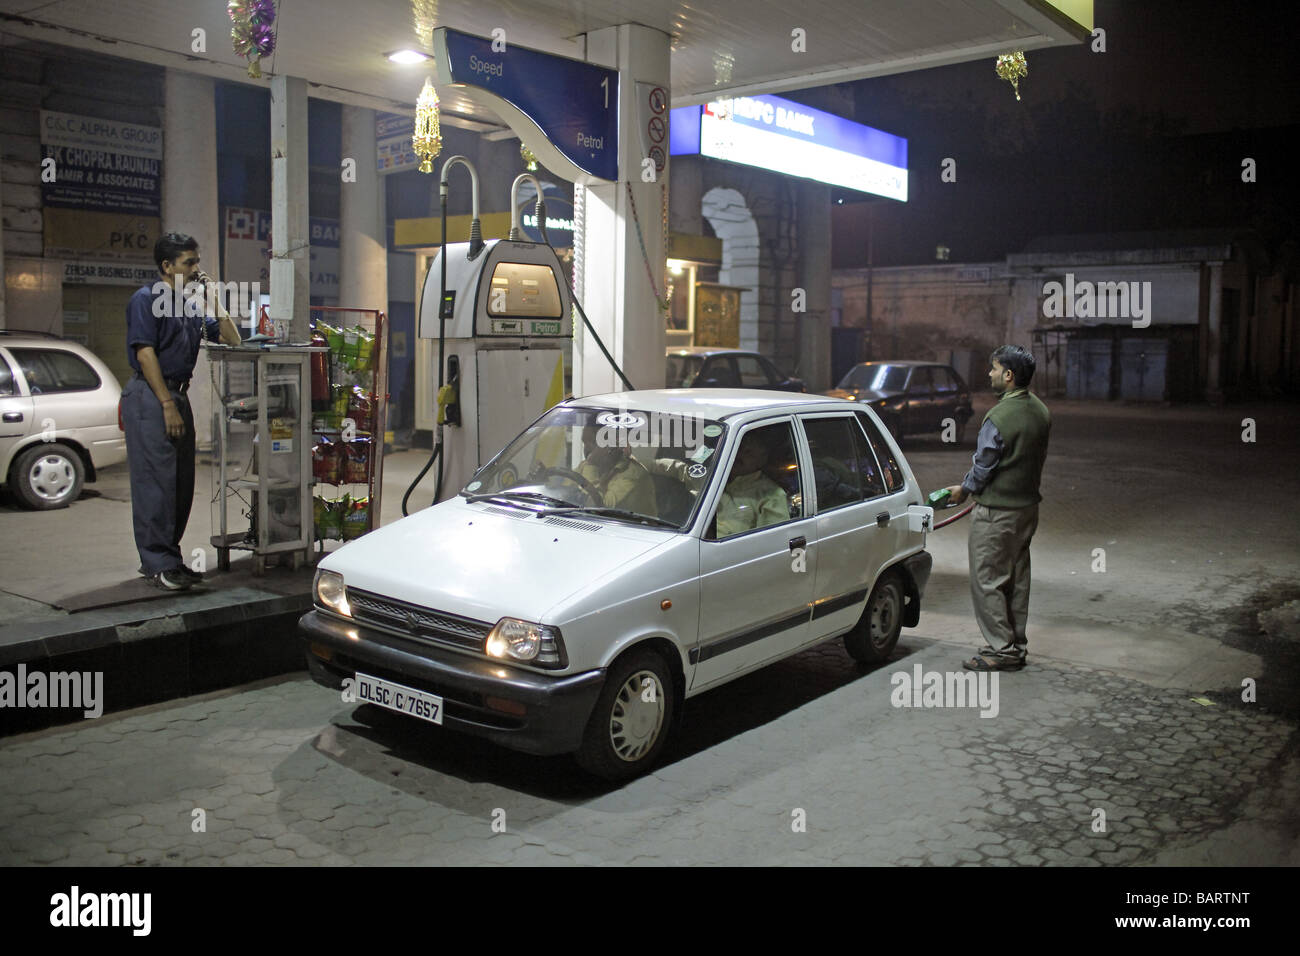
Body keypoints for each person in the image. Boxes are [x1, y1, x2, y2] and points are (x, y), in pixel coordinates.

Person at [122, 232, 242, 590]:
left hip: (177, 397)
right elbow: (145, 354)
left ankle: (169, 559)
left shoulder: (188, 306)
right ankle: (157, 562)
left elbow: (232, 338)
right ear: (167, 266)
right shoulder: (145, 300)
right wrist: (166, 405)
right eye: (189, 262)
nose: (196, 269)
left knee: (179, 485)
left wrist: (214, 298)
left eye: (196, 261)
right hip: (152, 397)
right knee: (155, 484)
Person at [944, 345, 1051, 671]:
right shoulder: (1040, 410)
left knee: (988, 579)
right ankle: (1015, 645)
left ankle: (1001, 651)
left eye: (993, 368)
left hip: (997, 513)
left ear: (1008, 375)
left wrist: (964, 490)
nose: (988, 374)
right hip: (1026, 509)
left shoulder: (999, 417)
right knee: (1017, 579)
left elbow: (984, 465)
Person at [716, 429, 791, 537]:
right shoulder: (718, 476)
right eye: (740, 449)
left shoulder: (771, 495)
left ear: (761, 460)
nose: (740, 455)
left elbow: (773, 541)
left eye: (749, 453)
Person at [577, 424, 657, 515]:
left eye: (592, 443)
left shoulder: (633, 475)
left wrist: (591, 465)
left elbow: (599, 508)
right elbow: (565, 487)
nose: (586, 449)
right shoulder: (590, 466)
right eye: (584, 443)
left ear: (612, 446)